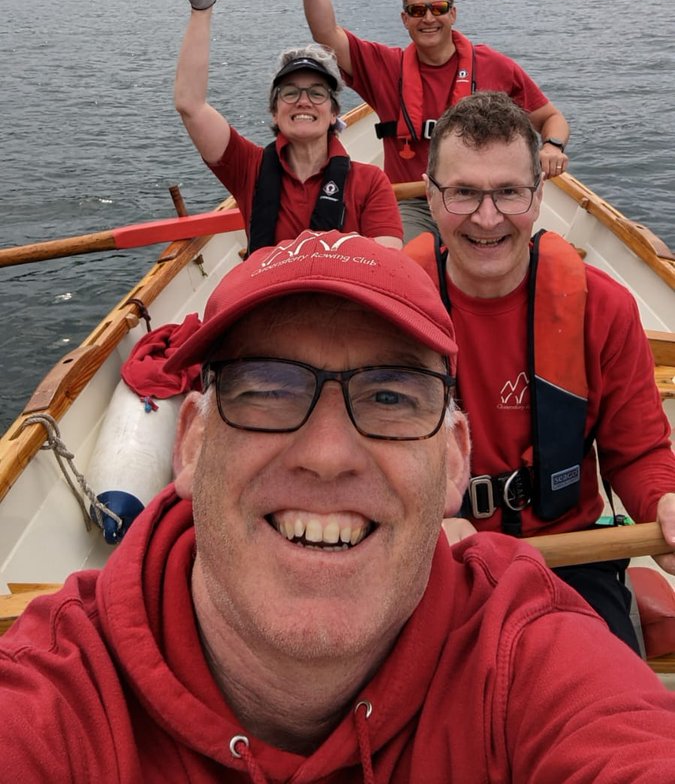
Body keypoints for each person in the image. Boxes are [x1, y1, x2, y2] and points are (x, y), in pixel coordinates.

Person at [4, 229, 675, 781]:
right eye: (266, 389)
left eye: (389, 396)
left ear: (453, 461)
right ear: (190, 446)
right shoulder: (55, 698)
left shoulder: (528, 658)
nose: (327, 455)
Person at [406, 91, 675, 651]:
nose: (487, 218)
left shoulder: (603, 309)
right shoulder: (392, 312)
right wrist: (422, 522)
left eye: (509, 192)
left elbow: (639, 453)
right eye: (463, 192)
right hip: (431, 556)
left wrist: (664, 502)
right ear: (431, 196)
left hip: (571, 559)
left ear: (538, 194)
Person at [295, 0, 570, 242]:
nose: (428, 18)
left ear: (452, 14)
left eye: (438, 8)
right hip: (415, 203)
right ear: (405, 19)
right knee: (406, 259)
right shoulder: (385, 66)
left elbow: (551, 119)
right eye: (417, 11)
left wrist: (552, 146)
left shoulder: (495, 65)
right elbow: (326, 33)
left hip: (483, 200)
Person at [171, 0, 403, 252]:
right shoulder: (247, 168)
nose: (303, 101)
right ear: (274, 112)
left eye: (317, 93)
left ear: (334, 113)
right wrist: (201, 10)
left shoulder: (370, 182)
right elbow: (190, 105)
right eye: (290, 93)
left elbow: (388, 256)